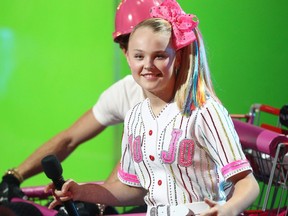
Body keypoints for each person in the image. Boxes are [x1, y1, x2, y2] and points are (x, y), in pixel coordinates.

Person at [45, 1, 260, 215]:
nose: (147, 65)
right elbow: (132, 189)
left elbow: (247, 182)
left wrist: (229, 209)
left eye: (159, 56)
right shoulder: (134, 117)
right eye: (139, 56)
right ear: (128, 57)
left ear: (177, 59)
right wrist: (81, 192)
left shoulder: (205, 111)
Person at [0, 0, 160, 214]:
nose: (145, 62)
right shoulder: (128, 92)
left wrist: (97, 201)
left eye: (156, 51)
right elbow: (69, 139)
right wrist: (14, 176)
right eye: (133, 48)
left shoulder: (195, 105)